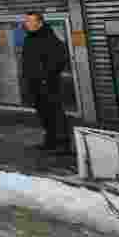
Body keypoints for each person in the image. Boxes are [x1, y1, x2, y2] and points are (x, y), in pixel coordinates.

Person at [21, 12, 72, 154]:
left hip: (48, 84)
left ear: (40, 22)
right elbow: (27, 62)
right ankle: (50, 141)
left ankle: (63, 144)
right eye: (26, 21)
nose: (28, 24)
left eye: (31, 21)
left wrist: (46, 77)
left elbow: (60, 60)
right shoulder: (29, 39)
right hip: (34, 84)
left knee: (55, 112)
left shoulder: (50, 38)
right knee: (43, 113)